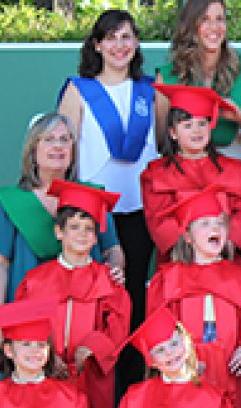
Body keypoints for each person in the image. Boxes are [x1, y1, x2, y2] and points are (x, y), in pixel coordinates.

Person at [13, 180, 131, 408]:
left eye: (89, 229)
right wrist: (46, 358)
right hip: (49, 374)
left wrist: (92, 347)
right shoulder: (36, 280)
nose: (82, 234)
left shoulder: (107, 281)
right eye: (74, 227)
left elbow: (118, 325)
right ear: (59, 232)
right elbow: (25, 327)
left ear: (96, 237)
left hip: (92, 375)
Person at [145, 189, 241, 408]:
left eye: (220, 223)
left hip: (228, 367)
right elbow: (158, 328)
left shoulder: (240, 277)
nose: (214, 229)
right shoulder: (168, 278)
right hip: (186, 372)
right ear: (188, 237)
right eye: (204, 224)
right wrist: (183, 361)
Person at [57, 9, 160, 331]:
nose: (119, 45)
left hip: (141, 206)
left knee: (135, 288)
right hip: (95, 211)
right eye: (111, 38)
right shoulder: (78, 90)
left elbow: (163, 143)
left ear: (137, 42)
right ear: (97, 45)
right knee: (96, 291)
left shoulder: (151, 89)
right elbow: (64, 151)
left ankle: (132, 362)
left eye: (126, 37)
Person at [0, 113, 123, 316]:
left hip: (83, 311)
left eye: (65, 140)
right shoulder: (11, 203)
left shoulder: (91, 197)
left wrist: (114, 270)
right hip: (27, 314)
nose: (58, 146)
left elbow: (112, 250)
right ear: (33, 150)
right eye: (49, 139)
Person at [141, 83, 241, 265]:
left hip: (225, 258)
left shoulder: (235, 169)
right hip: (179, 261)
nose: (197, 130)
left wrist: (224, 244)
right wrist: (192, 251)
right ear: (173, 133)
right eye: (187, 125)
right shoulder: (156, 174)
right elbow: (159, 220)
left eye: (202, 123)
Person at [155, 0, 241, 171]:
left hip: (236, 173)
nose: (214, 27)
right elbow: (161, 143)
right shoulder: (167, 76)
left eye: (220, 19)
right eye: (205, 20)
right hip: (186, 173)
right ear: (191, 25)